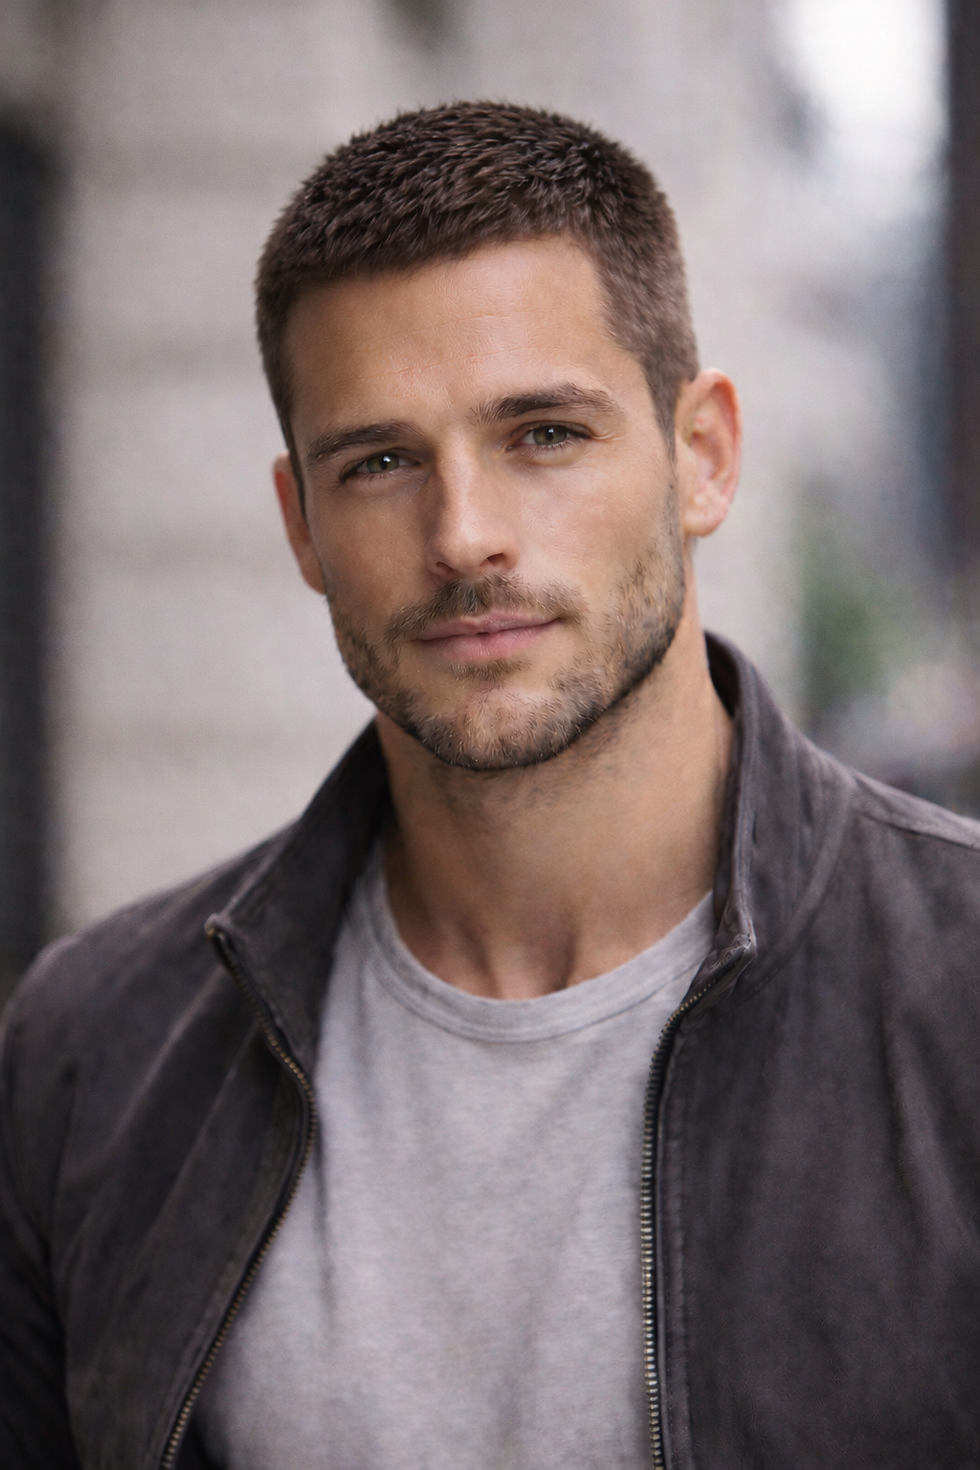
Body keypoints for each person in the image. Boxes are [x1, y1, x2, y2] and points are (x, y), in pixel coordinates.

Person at [2, 102, 979, 1470]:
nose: (465, 537)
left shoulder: (956, 992)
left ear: (702, 454)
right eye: (383, 462)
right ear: (301, 524)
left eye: (544, 434)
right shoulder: (95, 1052)